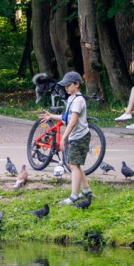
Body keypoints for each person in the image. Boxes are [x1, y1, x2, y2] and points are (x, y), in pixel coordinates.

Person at [43, 71, 92, 206]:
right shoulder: (71, 99)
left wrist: (63, 138)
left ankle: (74, 196)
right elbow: (66, 118)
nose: (66, 88)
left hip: (80, 137)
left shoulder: (78, 100)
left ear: (76, 84)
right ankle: (87, 190)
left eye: (68, 85)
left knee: (73, 165)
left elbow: (73, 122)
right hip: (76, 136)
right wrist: (52, 116)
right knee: (74, 163)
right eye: (64, 86)